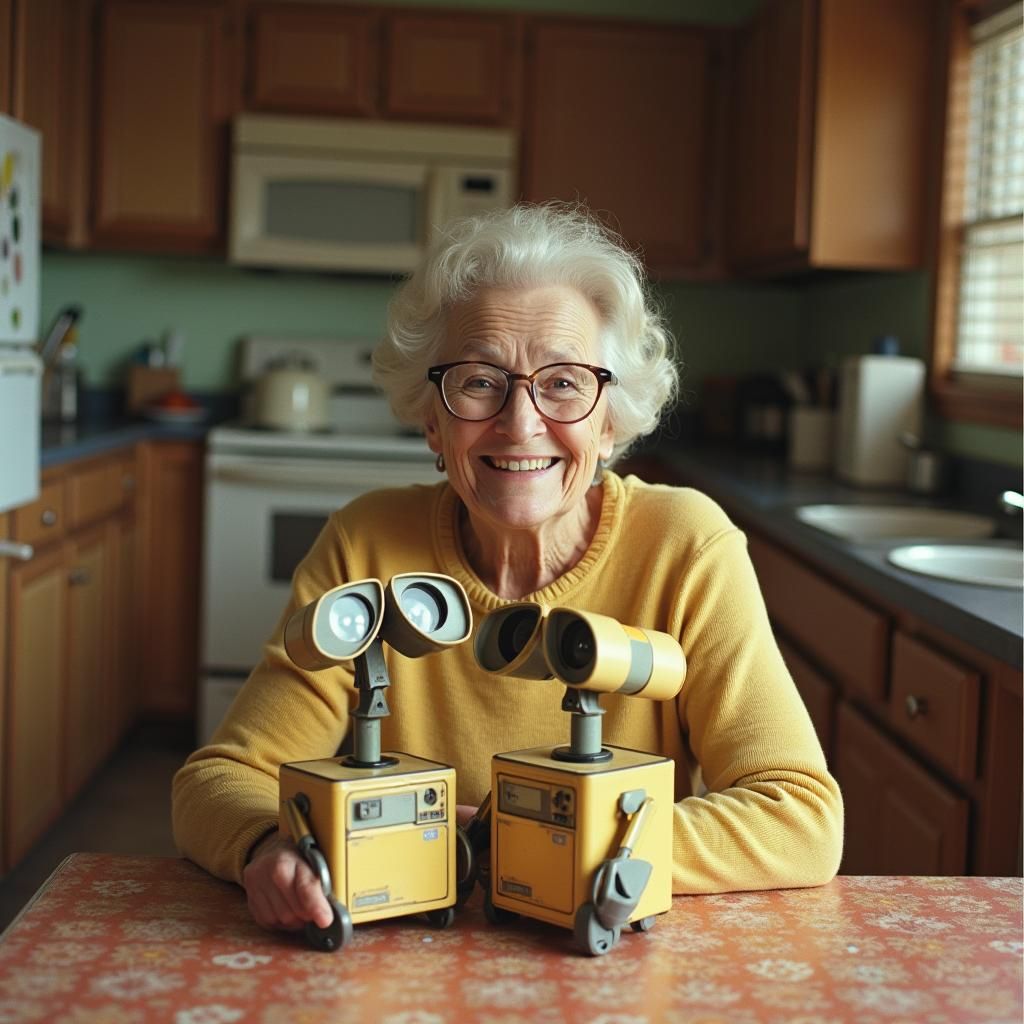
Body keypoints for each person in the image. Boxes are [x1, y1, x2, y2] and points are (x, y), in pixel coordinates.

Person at [172, 202, 843, 935]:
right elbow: (216, 782)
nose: (520, 423)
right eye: (479, 381)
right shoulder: (366, 540)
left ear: (609, 420)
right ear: (432, 419)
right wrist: (270, 847)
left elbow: (800, 815)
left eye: (563, 383)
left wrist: (543, 852)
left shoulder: (685, 545)